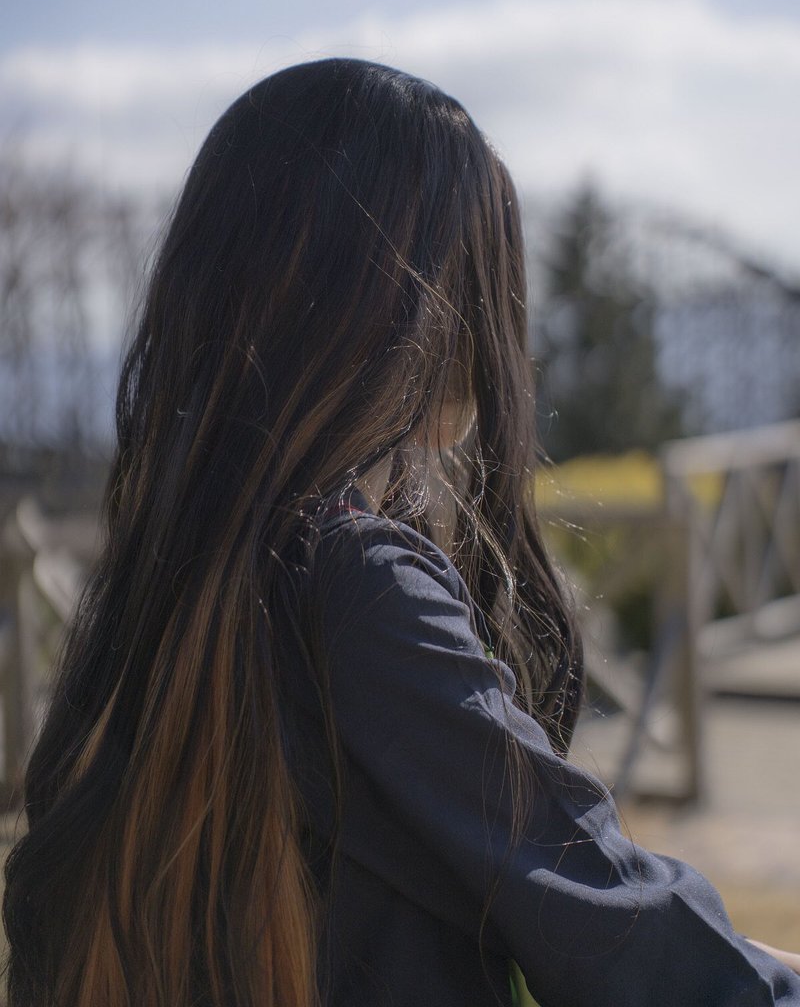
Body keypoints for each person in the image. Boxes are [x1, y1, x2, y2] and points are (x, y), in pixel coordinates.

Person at [2, 57, 798, 1007]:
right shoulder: (355, 585)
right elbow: (598, 906)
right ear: (413, 305)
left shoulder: (165, 588)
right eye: (485, 271)